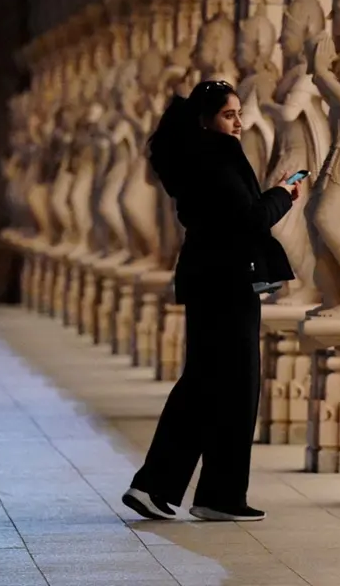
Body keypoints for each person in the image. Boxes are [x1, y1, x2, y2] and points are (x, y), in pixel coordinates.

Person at [122, 80, 300, 522]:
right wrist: (284, 196)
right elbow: (250, 219)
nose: (238, 123)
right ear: (206, 120)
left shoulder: (193, 157)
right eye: (228, 115)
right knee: (223, 387)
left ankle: (199, 492)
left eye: (240, 114)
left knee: (215, 385)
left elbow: (232, 214)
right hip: (227, 282)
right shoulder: (217, 157)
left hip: (211, 278)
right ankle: (188, 490)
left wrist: (268, 197)